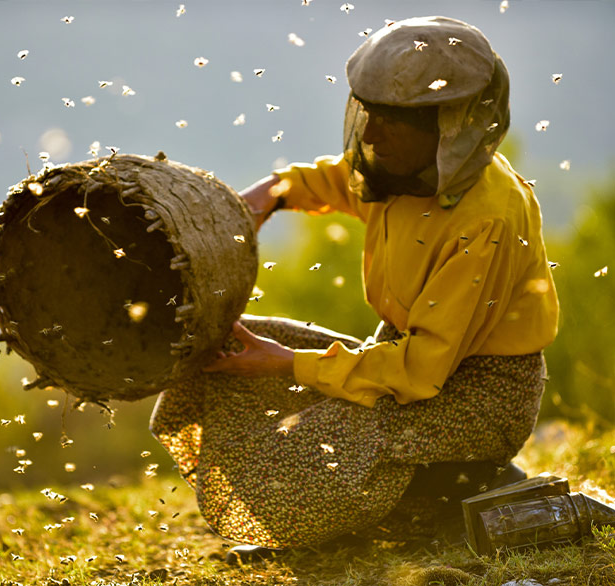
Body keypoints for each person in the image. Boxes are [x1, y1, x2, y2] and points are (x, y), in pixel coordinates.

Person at [150, 15, 559, 556]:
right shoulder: (404, 169)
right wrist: (272, 194)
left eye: (393, 120)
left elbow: (419, 370)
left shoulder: (487, 220)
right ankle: (422, 494)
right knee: (229, 354)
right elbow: (341, 180)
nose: (370, 134)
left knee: (317, 440)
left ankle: (459, 491)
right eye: (370, 113)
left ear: (451, 122)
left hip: (479, 398)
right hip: (403, 363)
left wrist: (284, 364)